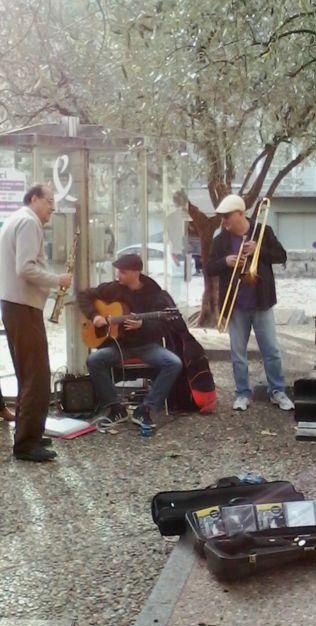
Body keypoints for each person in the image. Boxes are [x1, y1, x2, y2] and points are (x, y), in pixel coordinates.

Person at [0, 183, 72, 462]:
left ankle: (28, 433)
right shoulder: (29, 223)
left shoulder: (15, 220)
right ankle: (27, 444)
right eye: (50, 201)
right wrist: (58, 281)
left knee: (27, 374)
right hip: (23, 307)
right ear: (34, 199)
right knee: (37, 375)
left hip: (16, 304)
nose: (53, 207)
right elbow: (26, 267)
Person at [206, 194, 294, 412]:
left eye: (227, 217)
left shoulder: (263, 232)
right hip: (236, 305)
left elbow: (281, 256)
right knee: (237, 353)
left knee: (271, 350)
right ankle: (242, 394)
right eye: (222, 217)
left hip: (261, 302)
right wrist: (225, 261)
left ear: (240, 214)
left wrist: (259, 251)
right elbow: (208, 268)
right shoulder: (221, 240)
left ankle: (277, 391)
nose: (224, 222)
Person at [77, 253, 183, 429]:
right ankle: (115, 408)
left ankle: (146, 409)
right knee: (94, 360)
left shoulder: (154, 293)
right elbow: (84, 296)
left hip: (146, 346)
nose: (119, 275)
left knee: (174, 363)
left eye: (123, 272)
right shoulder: (113, 288)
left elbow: (165, 327)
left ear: (136, 273)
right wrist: (94, 316)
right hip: (119, 346)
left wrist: (143, 325)